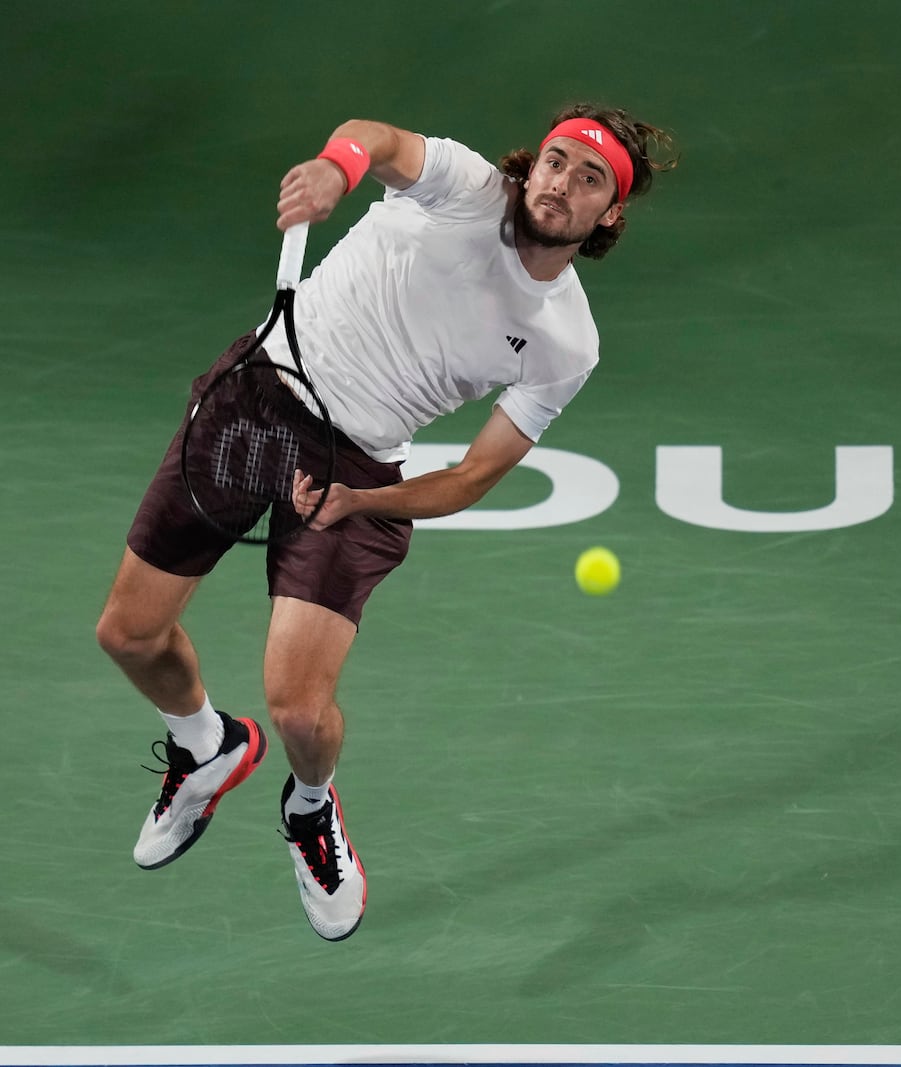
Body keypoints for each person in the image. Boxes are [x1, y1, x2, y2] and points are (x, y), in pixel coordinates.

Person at [95, 104, 675, 941]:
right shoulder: (469, 187)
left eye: (592, 179)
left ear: (609, 214)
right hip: (258, 397)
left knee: (298, 710)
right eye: (556, 161)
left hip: (359, 464)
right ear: (531, 164)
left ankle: (309, 807)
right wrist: (338, 164)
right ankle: (205, 745)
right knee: (129, 635)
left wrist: (360, 502)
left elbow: (475, 473)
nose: (562, 184)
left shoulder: (566, 344)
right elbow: (378, 138)